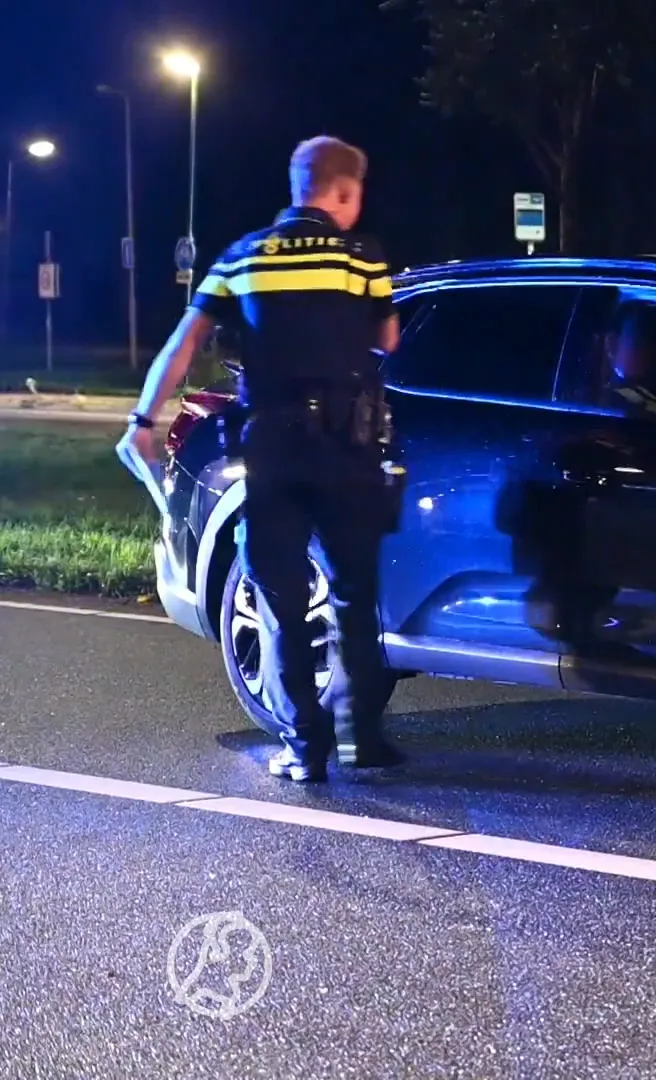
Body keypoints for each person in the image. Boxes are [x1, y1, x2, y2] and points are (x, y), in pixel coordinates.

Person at [117, 135, 404, 784]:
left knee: (280, 598)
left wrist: (141, 420)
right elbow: (388, 336)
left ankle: (304, 750)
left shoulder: (242, 257)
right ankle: (361, 740)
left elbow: (184, 344)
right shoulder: (362, 256)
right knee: (355, 593)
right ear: (342, 192)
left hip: (272, 451)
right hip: (345, 446)